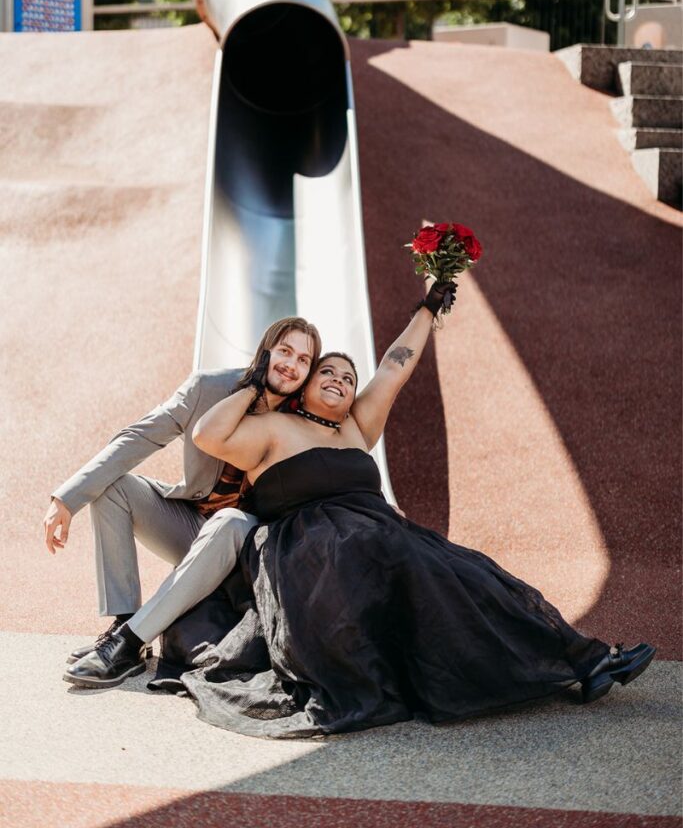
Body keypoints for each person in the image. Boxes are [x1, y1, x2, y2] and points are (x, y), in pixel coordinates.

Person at [158, 282, 655, 738]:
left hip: (381, 538)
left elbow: (396, 365)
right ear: (303, 385)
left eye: (348, 377)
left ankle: (586, 662)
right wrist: (258, 383)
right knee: (386, 551)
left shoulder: (355, 429)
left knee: (474, 576)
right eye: (325, 371)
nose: (338, 379)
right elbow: (207, 434)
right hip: (308, 549)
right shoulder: (270, 431)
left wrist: (428, 308)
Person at [43, 316, 321, 689]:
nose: (292, 365)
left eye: (304, 359)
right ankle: (124, 624)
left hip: (249, 550)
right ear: (265, 350)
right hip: (195, 524)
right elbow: (139, 436)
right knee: (114, 487)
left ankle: (127, 644)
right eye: (285, 351)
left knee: (232, 522)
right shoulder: (209, 388)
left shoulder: (305, 415)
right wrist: (67, 497)